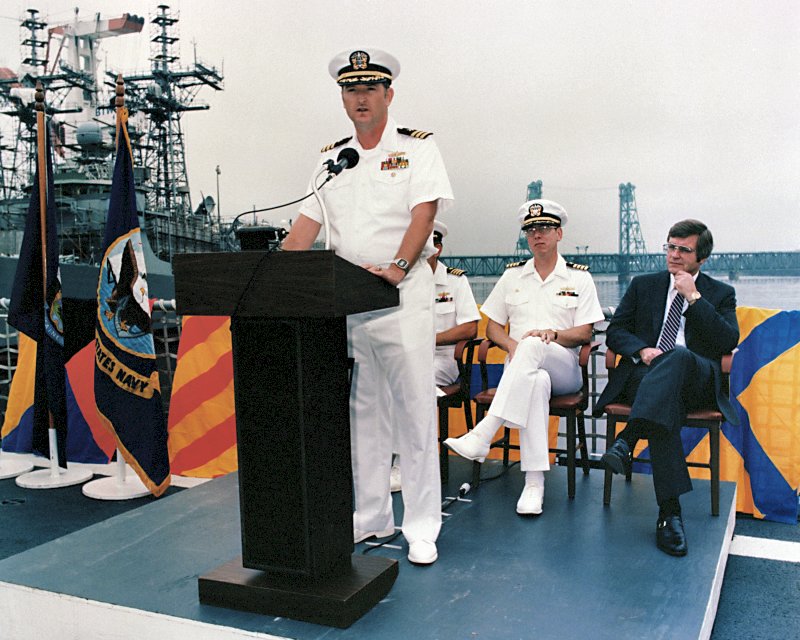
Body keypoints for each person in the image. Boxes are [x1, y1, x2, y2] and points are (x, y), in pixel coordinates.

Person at [282, 48, 454, 565]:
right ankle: (373, 515)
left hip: (400, 296)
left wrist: (398, 266)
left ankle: (422, 524)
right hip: (350, 301)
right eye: (351, 90)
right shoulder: (331, 160)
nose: (360, 98)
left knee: (414, 412)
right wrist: (273, 279)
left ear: (388, 95)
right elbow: (304, 229)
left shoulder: (417, 148)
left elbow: (424, 214)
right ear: (342, 99)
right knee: (365, 415)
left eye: (370, 89)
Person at [444, 199, 603, 515]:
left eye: (544, 228)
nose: (537, 235)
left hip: (564, 366)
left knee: (534, 346)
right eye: (531, 230)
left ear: (559, 233)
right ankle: (533, 484)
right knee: (536, 381)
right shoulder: (512, 276)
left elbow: (585, 332)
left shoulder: (578, 278)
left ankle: (485, 431)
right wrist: (512, 345)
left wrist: (552, 335)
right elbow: (493, 328)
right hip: (523, 366)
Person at [594, 219, 738, 557]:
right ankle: (669, 514)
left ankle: (628, 438)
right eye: (670, 247)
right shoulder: (644, 285)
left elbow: (728, 340)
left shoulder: (719, 293)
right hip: (648, 378)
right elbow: (616, 332)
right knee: (664, 404)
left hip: (696, 380)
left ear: (702, 258)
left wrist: (694, 298)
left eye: (683, 250)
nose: (674, 255)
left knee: (679, 356)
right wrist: (642, 350)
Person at [391, 219, 480, 492]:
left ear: (437, 248)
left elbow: (470, 327)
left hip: (444, 359)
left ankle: (403, 464)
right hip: (407, 356)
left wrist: (429, 340)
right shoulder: (402, 282)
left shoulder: (455, 281)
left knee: (413, 382)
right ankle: (393, 459)